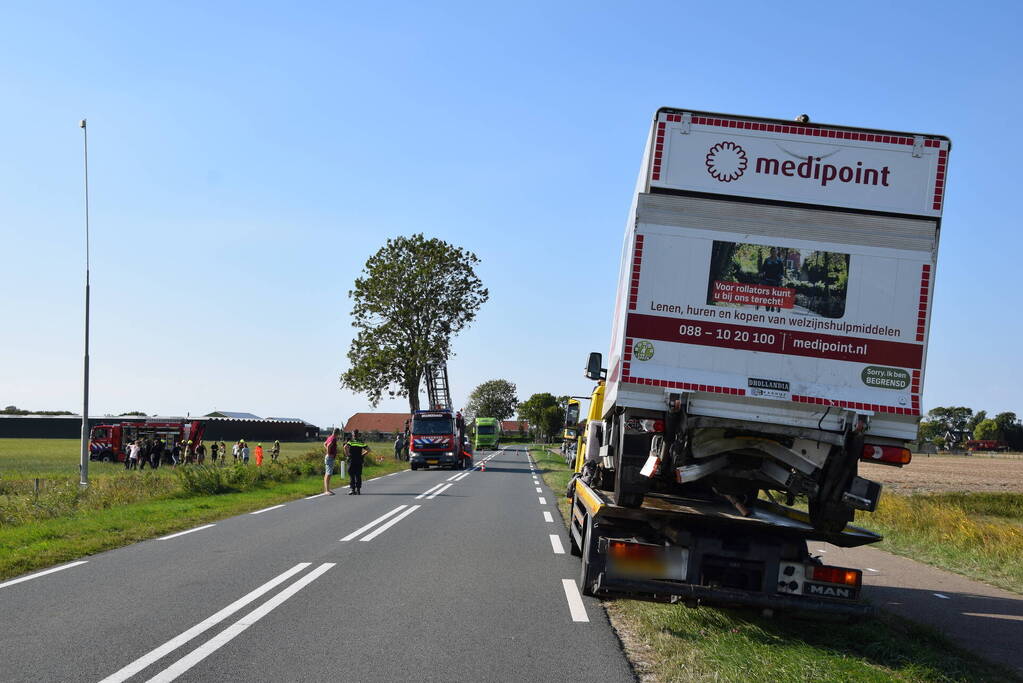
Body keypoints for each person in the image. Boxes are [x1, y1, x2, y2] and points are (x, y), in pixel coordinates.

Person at [345, 430, 370, 495]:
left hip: (352, 460)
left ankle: (353, 490)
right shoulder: (361, 442)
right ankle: (358, 490)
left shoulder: (350, 442)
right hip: (359, 460)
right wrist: (362, 455)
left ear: (353, 435)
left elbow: (345, 447)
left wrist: (347, 454)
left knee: (352, 475)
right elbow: (368, 450)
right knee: (358, 475)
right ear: (358, 434)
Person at [323, 428, 341, 495]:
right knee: (329, 474)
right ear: (338, 433)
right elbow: (328, 445)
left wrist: (328, 452)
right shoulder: (333, 439)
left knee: (327, 473)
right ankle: (327, 490)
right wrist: (329, 453)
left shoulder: (330, 437)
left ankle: (326, 489)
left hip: (329, 457)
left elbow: (324, 444)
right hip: (330, 457)